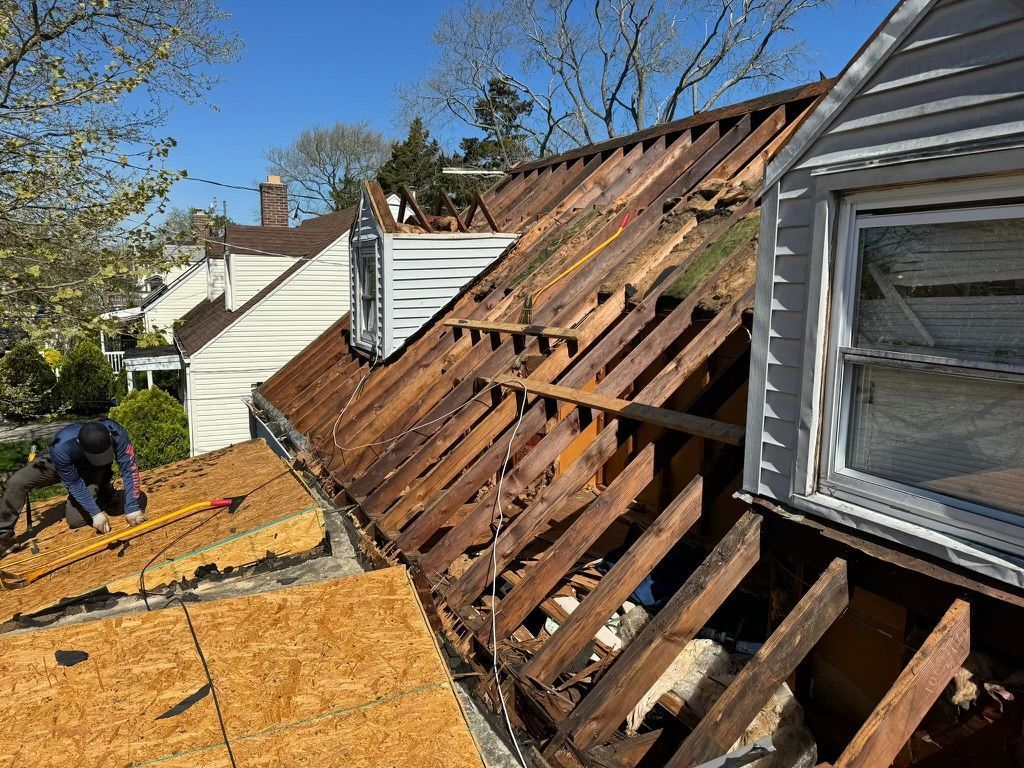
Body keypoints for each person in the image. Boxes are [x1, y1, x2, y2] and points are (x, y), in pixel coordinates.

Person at [0, 419, 146, 557]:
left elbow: (129, 468)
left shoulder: (116, 432)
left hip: (92, 468)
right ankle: (3, 537)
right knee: (17, 481)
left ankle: (103, 489)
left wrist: (132, 506)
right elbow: (74, 483)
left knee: (75, 520)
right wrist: (95, 513)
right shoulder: (61, 445)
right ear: (79, 443)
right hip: (59, 462)